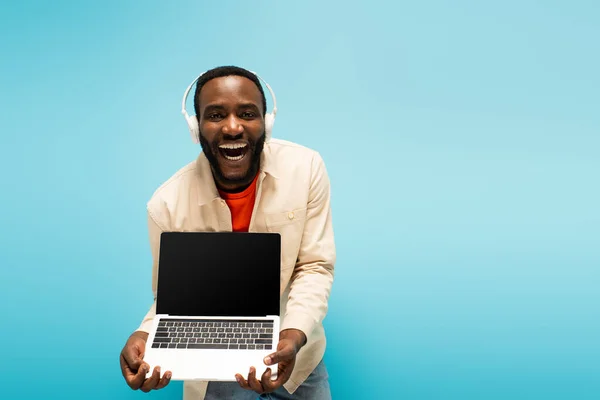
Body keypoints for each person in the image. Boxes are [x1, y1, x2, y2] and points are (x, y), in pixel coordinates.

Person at [118, 65, 336, 400]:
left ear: (267, 121)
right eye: (216, 115)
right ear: (196, 128)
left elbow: (314, 266)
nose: (233, 127)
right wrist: (145, 336)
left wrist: (292, 335)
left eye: (247, 113)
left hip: (298, 353)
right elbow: (173, 300)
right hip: (213, 369)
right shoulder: (166, 204)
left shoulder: (306, 169)